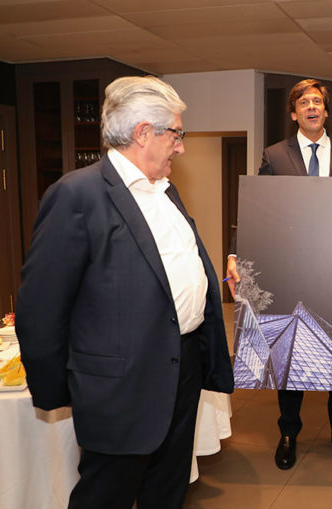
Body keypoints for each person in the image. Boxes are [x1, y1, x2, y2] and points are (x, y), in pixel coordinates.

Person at [16, 76, 234, 508]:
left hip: (182, 367)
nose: (181, 147)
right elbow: (41, 309)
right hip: (120, 387)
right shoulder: (77, 195)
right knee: (106, 496)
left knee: (168, 490)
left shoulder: (166, 191)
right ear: (143, 133)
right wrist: (68, 389)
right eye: (176, 134)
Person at [225, 78, 332, 470]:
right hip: (290, 263)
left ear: (326, 110)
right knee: (289, 351)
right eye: (304, 102)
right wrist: (236, 252)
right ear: (294, 113)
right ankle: (289, 432)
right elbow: (257, 207)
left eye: (317, 101)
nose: (311, 107)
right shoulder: (274, 155)